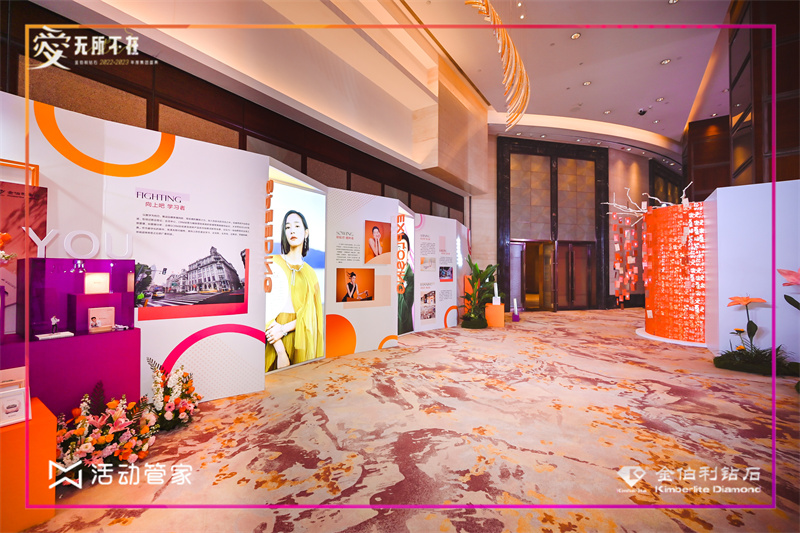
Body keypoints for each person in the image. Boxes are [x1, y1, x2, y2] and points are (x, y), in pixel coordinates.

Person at [265, 210, 323, 372]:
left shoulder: (311, 273)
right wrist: (280, 350)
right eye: (287, 227)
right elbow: (264, 306)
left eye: (297, 226)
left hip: (299, 337)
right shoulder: (272, 262)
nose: (292, 230)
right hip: (272, 336)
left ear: (306, 233)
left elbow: (312, 315)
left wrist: (284, 329)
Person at [397, 232, 414, 335]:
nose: (400, 254)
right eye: (398, 249)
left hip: (404, 331)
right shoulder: (391, 272)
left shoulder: (411, 277)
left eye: (403, 249)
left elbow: (403, 313)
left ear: (408, 253)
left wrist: (398, 282)